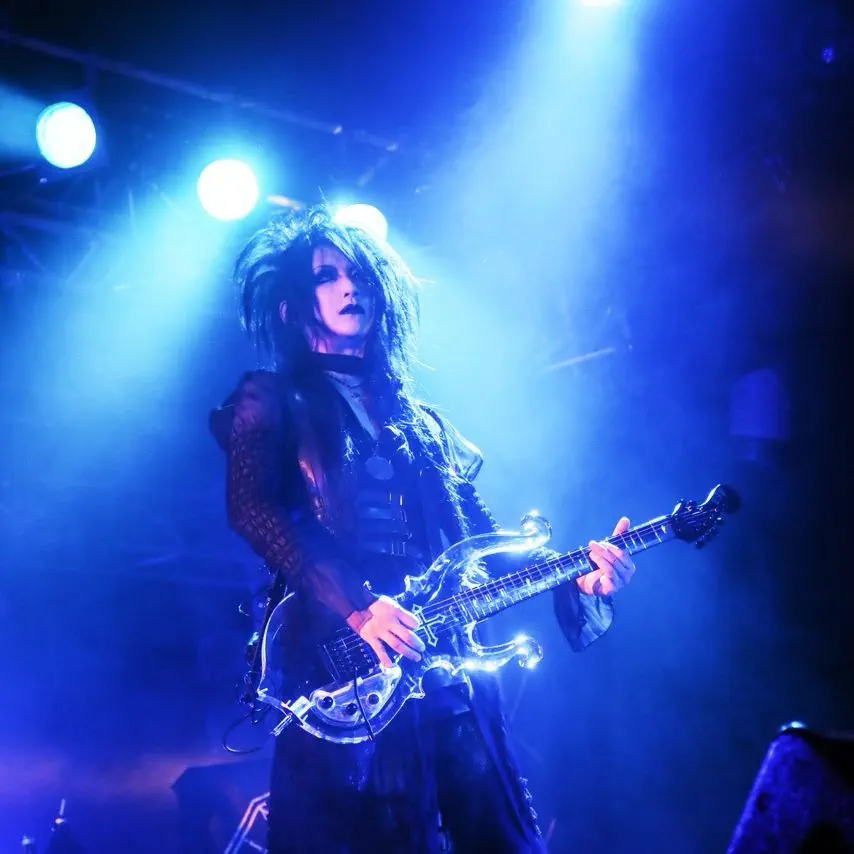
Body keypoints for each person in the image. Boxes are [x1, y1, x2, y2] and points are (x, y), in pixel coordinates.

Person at [209, 204, 637, 854]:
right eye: (327, 276)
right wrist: (358, 607)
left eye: (360, 273)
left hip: (445, 666)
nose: (350, 286)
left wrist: (578, 578)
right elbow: (254, 510)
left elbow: (483, 545)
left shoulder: (423, 424)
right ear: (292, 307)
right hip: (341, 663)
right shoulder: (270, 399)